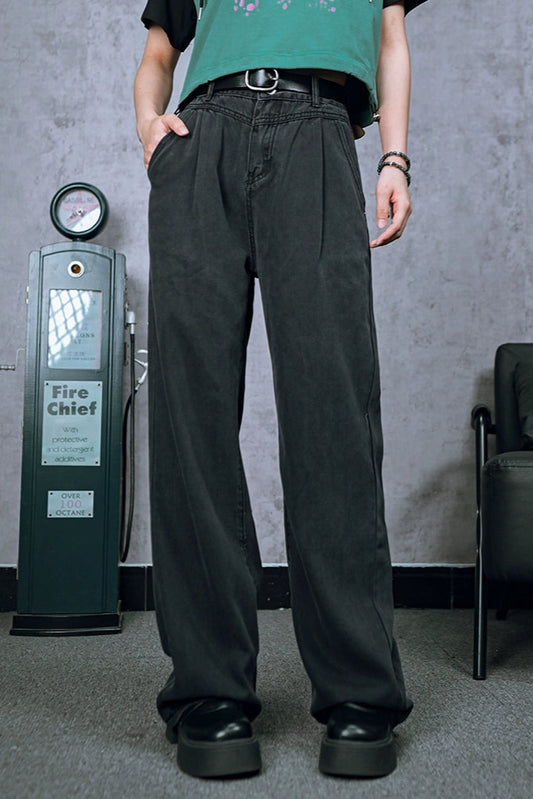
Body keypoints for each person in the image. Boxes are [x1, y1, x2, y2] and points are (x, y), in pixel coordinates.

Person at [134, 0, 428, 780]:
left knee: (333, 416)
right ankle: (210, 692)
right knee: (189, 418)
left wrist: (395, 159)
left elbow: (390, 37)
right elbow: (160, 51)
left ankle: (359, 693)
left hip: (318, 129)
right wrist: (149, 126)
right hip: (201, 140)